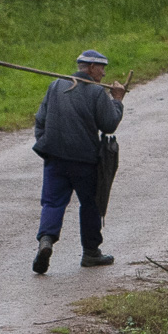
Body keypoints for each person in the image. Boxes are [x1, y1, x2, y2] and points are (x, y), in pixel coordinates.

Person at [31, 49, 126, 274]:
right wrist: (118, 101)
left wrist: (46, 144)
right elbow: (109, 124)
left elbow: (40, 120)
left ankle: (46, 240)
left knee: (52, 203)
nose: (103, 73)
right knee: (91, 204)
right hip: (84, 160)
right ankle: (91, 253)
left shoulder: (55, 86)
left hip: (55, 158)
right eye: (101, 68)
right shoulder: (96, 93)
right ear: (91, 68)